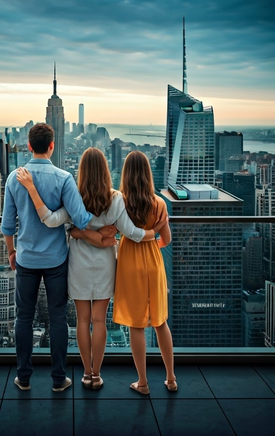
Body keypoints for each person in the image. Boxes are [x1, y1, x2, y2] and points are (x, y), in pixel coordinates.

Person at [15, 147, 160, 389]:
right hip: (104, 264)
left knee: (82, 320)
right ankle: (96, 374)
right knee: (99, 321)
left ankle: (85, 373)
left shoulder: (74, 197)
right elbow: (132, 234)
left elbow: (50, 220)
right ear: (105, 171)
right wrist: (154, 233)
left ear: (81, 172)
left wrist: (75, 231)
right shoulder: (116, 199)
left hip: (78, 264)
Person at [1, 124, 110, 392]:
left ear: (29, 146)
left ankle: (24, 378)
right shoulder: (63, 178)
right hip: (56, 260)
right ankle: (59, 379)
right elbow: (83, 219)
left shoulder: (14, 177)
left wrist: (12, 252)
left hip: (26, 259)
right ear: (52, 146)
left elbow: (7, 225)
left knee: (24, 318)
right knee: (58, 318)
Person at [112, 150, 175, 394]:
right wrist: (153, 242)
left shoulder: (120, 201)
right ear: (148, 174)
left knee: (136, 325)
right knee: (160, 322)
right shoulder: (159, 203)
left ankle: (143, 382)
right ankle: (170, 379)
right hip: (153, 261)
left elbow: (113, 233)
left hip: (129, 263)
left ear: (126, 174)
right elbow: (166, 239)